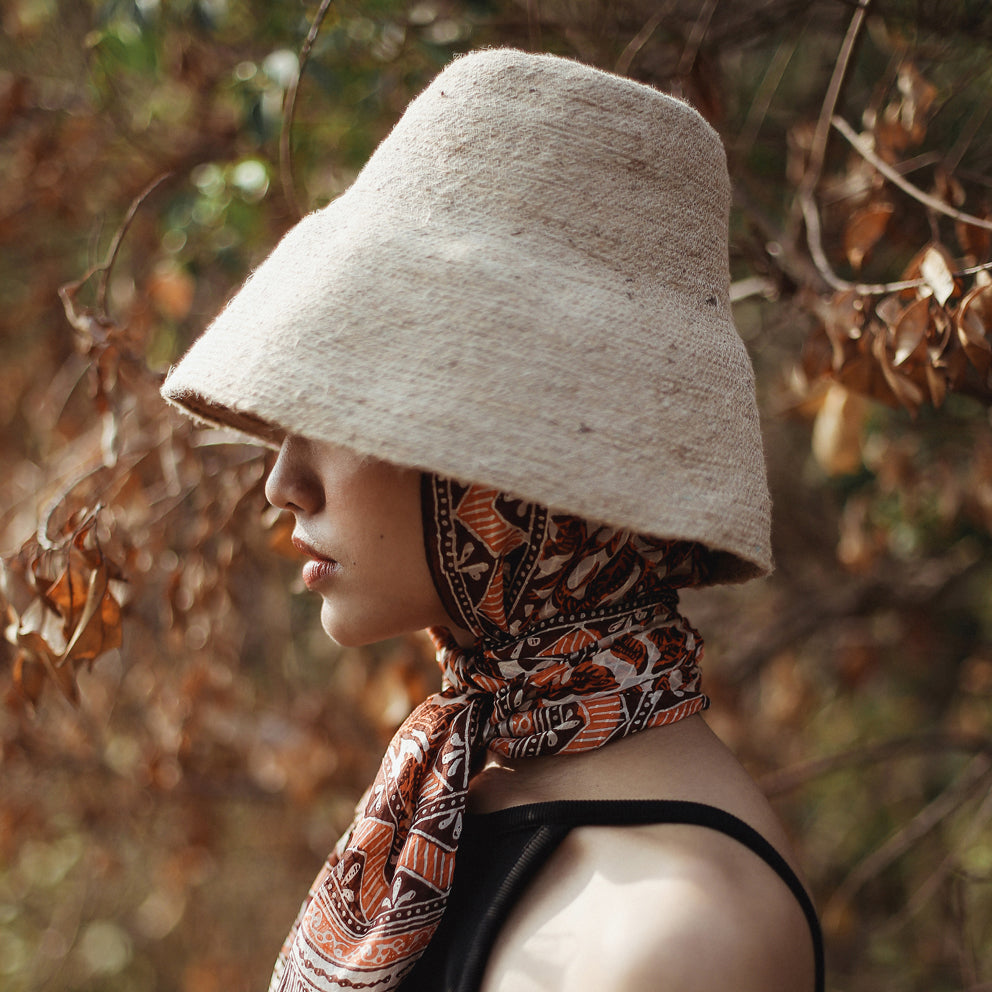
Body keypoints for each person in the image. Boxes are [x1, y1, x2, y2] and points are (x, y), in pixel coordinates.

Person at [162, 48, 824, 992]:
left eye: (337, 412)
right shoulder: (467, 786)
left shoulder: (672, 941)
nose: (283, 483)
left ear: (506, 485)